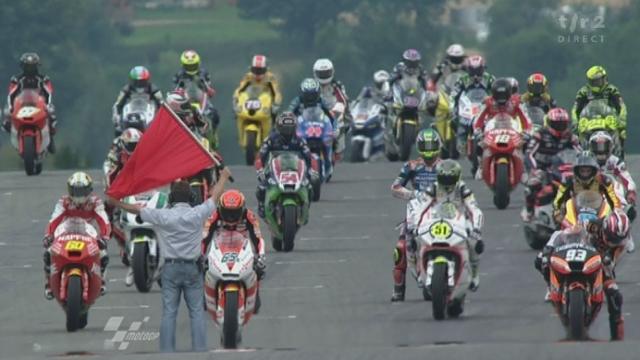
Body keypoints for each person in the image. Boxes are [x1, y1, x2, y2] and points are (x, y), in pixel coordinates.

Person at [107, 167, 233, 353]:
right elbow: (214, 198)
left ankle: (167, 352)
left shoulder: (163, 215)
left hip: (170, 268)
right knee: (197, 312)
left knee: (169, 313)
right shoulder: (197, 213)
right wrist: (223, 177)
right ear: (191, 198)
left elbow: (136, 209)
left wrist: (115, 202)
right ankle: (199, 350)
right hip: (193, 268)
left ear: (171, 199)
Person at [535, 212, 629, 340]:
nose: (612, 242)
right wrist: (549, 250)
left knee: (614, 294)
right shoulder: (593, 225)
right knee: (540, 262)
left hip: (602, 260)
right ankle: (551, 286)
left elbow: (612, 261)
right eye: (610, 237)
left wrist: (607, 261)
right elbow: (567, 233)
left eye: (615, 240)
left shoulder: (623, 242)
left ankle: (617, 333)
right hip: (581, 252)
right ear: (605, 227)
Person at [407, 160, 484, 293]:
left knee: (475, 242)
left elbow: (475, 210)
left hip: (459, 221)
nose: (447, 184)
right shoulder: (434, 188)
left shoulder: (463, 189)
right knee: (413, 241)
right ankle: (420, 272)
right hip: (436, 219)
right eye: (444, 179)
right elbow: (422, 208)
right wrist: (415, 226)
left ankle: (475, 275)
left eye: (450, 179)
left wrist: (476, 228)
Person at [391, 129, 443, 302]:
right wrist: (411, 194)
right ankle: (398, 289)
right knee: (400, 247)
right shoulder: (411, 165)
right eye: (425, 145)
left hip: (440, 207)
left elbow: (458, 186)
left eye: (432, 145)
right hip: (417, 208)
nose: (429, 149)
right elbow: (395, 186)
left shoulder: (446, 166)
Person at [43, 172, 110, 299]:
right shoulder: (64, 202)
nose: (78, 195)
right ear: (70, 190)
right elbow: (54, 219)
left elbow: (104, 220)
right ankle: (48, 284)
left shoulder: (95, 202)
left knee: (103, 254)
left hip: (88, 231)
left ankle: (101, 281)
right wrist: (48, 235)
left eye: (82, 191)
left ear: (89, 190)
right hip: (66, 230)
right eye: (75, 191)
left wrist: (104, 237)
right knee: (48, 252)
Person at [202, 189, 266, 312]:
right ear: (220, 208)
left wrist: (261, 255)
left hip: (242, 247)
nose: (231, 217)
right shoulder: (213, 217)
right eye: (227, 212)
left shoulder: (250, 216)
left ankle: (255, 294)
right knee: (202, 267)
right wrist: (201, 255)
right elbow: (204, 238)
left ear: (242, 209)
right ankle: (206, 295)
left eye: (235, 212)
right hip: (220, 247)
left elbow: (258, 238)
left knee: (258, 267)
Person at [522, 108, 581, 222]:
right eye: (557, 124)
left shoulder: (570, 136)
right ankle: (529, 210)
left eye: (562, 124)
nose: (560, 127)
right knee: (533, 183)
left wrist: (582, 165)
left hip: (563, 167)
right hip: (542, 167)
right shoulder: (540, 135)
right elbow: (529, 154)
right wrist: (534, 169)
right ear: (549, 123)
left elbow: (580, 152)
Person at [255, 112, 314, 218]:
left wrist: (311, 170)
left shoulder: (300, 141)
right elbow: (260, 156)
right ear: (279, 127)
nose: (288, 131)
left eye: (290, 128)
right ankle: (261, 206)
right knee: (261, 187)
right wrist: (260, 170)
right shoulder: (271, 139)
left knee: (309, 187)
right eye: (285, 127)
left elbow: (309, 156)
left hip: (295, 169)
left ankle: (305, 208)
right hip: (274, 168)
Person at [472, 78, 532, 178]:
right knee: (479, 143)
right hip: (492, 128)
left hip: (512, 128)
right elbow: (478, 119)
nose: (501, 99)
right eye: (498, 96)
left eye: (503, 96)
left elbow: (526, 119)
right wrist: (477, 130)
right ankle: (481, 166)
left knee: (526, 143)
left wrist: (528, 131)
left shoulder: (517, 102)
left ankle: (524, 168)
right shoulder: (487, 102)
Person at [3, 52, 57, 153]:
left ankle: (50, 137)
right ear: (23, 67)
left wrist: (48, 105)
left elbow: (49, 92)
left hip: (40, 105)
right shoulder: (17, 79)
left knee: (52, 114)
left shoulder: (43, 79)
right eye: (27, 66)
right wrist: (11, 107)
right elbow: (11, 94)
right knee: (6, 115)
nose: (30, 69)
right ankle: (13, 132)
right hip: (21, 105)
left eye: (32, 66)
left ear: (37, 66)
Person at [553, 151, 622, 225]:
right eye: (582, 171)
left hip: (598, 216)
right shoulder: (569, 180)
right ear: (577, 171)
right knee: (557, 226)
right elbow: (558, 199)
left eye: (588, 171)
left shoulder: (603, 180)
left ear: (593, 171)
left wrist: (617, 211)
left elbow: (614, 200)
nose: (585, 174)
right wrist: (556, 212)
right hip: (575, 215)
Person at [589, 131, 637, 222]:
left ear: (610, 147)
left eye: (604, 146)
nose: (601, 150)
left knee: (615, 183)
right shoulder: (586, 159)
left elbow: (627, 178)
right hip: (590, 188)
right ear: (591, 147)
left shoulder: (615, 161)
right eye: (597, 147)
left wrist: (631, 191)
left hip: (610, 188)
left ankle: (621, 208)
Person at [173, 50, 220, 136]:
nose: (191, 68)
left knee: (215, 115)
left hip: (202, 98)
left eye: (193, 66)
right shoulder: (179, 75)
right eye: (188, 66)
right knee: (175, 117)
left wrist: (209, 91)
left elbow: (209, 89)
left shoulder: (203, 73)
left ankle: (213, 135)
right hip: (186, 100)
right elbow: (176, 90)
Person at [572, 66, 627, 135]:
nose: (599, 83)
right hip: (589, 122)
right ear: (590, 81)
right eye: (596, 81)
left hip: (608, 122)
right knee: (576, 137)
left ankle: (617, 144)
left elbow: (621, 106)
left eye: (601, 80)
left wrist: (621, 120)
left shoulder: (611, 90)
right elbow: (575, 109)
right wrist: (575, 122)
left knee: (622, 134)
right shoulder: (583, 92)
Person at [112, 66, 163, 135]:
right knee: (118, 131)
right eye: (136, 82)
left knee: (159, 133)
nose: (139, 84)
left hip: (147, 116)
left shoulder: (153, 89)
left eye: (142, 82)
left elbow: (162, 104)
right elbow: (118, 104)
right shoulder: (126, 89)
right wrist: (116, 119)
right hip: (130, 115)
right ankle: (118, 143)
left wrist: (160, 119)